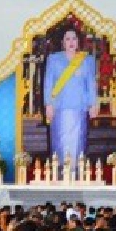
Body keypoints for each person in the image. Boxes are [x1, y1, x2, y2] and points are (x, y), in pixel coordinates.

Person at [43, 25, 98, 172]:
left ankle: (77, 170)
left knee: (78, 139)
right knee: (60, 139)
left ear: (78, 41)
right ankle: (59, 169)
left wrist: (93, 104)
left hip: (79, 106)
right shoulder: (54, 59)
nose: (71, 42)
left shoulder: (87, 60)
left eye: (74, 38)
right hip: (59, 106)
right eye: (67, 39)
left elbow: (91, 84)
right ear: (62, 42)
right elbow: (48, 83)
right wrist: (48, 104)